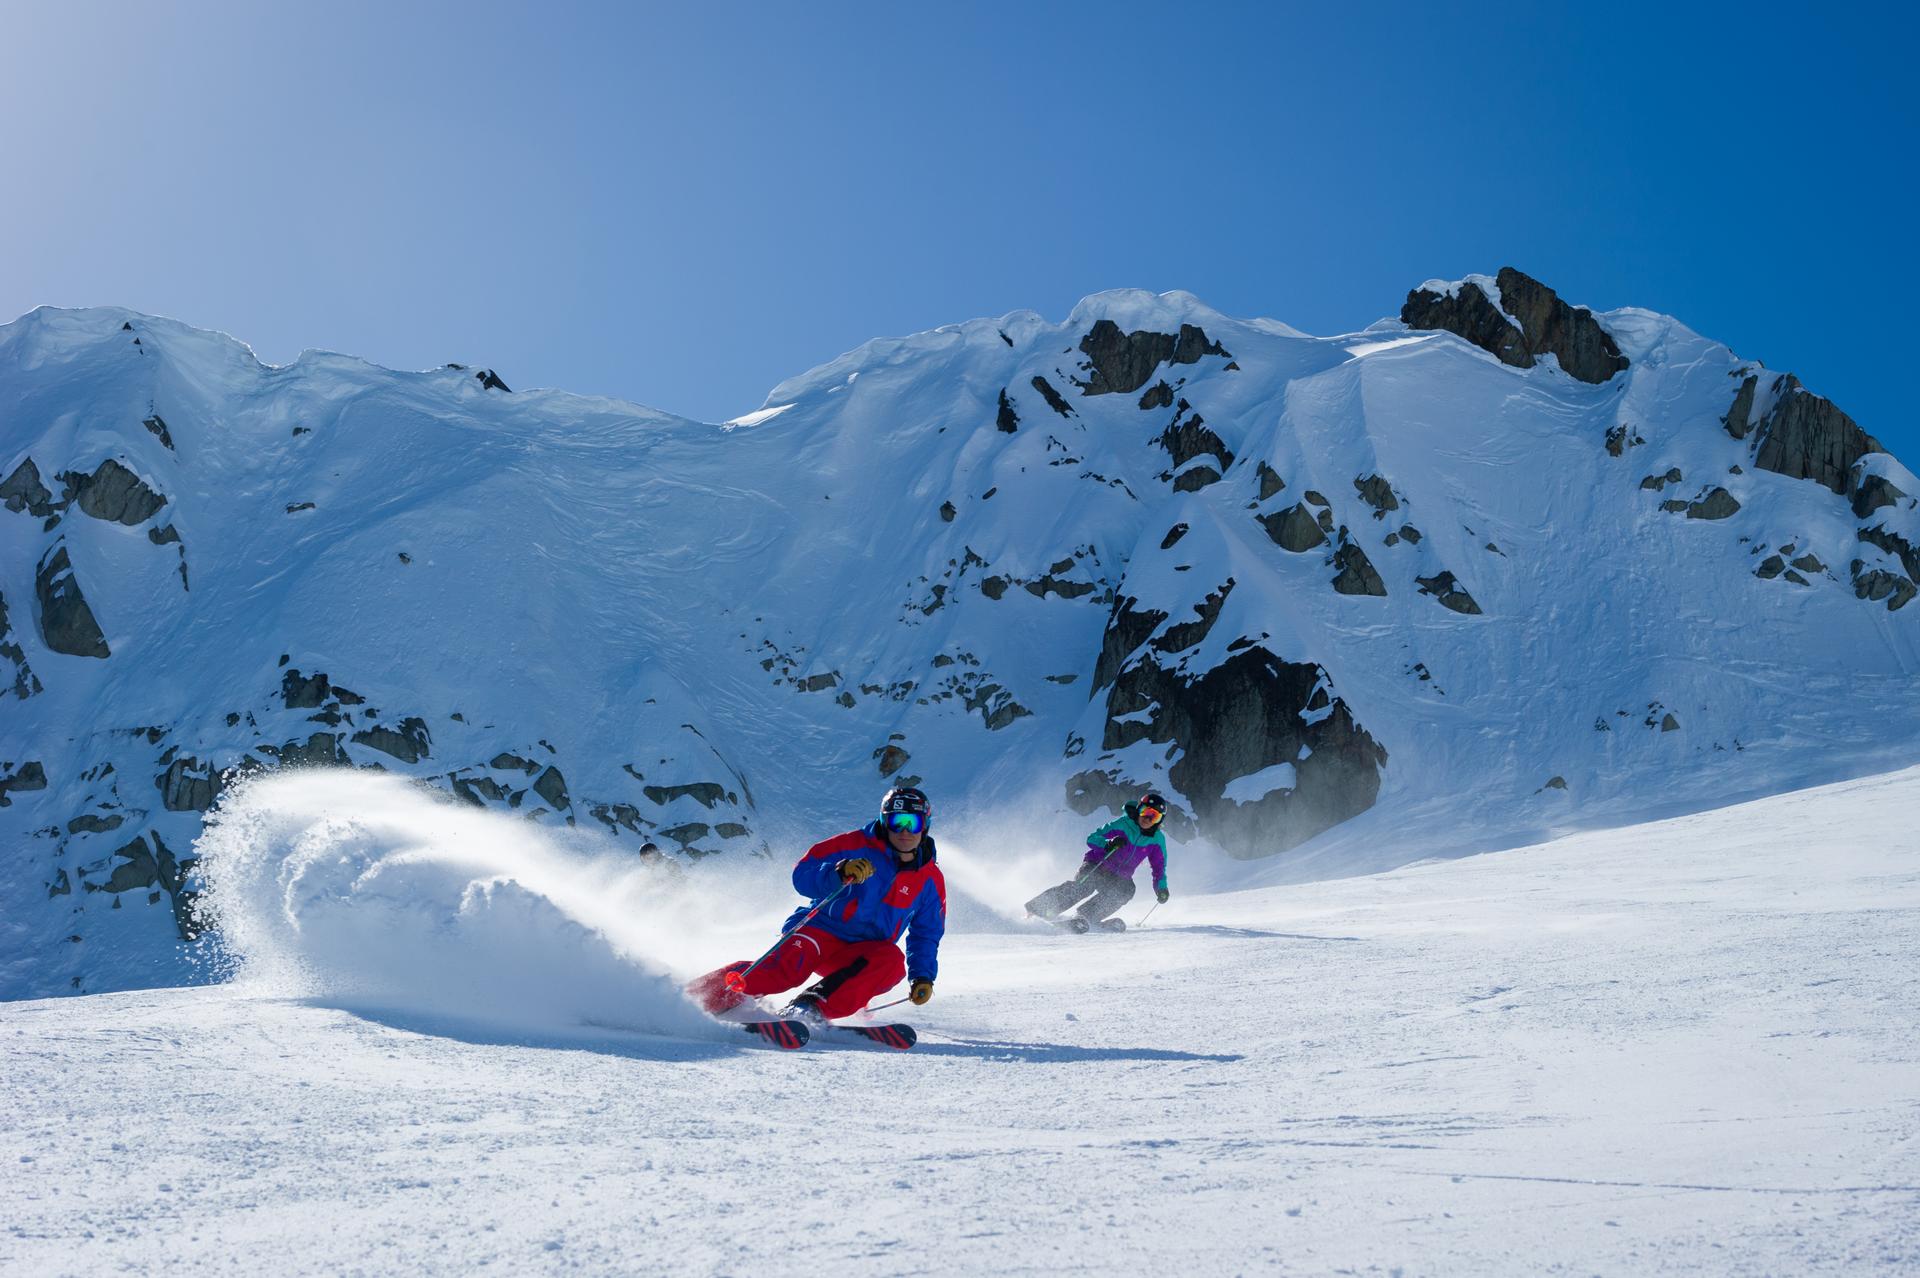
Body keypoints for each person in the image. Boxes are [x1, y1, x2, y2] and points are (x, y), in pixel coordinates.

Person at [687, 786, 946, 1024]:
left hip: (860, 953)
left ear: (925, 826)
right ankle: (696, 999)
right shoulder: (852, 845)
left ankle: (807, 1010)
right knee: (784, 972)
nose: (904, 831)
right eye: (896, 821)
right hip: (819, 931)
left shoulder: (930, 880)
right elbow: (802, 874)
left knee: (890, 963)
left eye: (913, 823)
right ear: (883, 821)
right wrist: (838, 872)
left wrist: (923, 976)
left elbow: (926, 933)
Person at [1025, 790, 1171, 932]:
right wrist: (1108, 843)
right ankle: (1038, 909)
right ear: (1139, 809)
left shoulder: (1157, 840)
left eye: (1154, 816)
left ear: (1159, 821)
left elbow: (1159, 867)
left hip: (1120, 876)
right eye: (1146, 812)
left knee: (1126, 890)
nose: (1147, 819)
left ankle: (1086, 917)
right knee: (1086, 885)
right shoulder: (1123, 824)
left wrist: (1161, 888)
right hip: (1098, 864)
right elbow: (1092, 838)